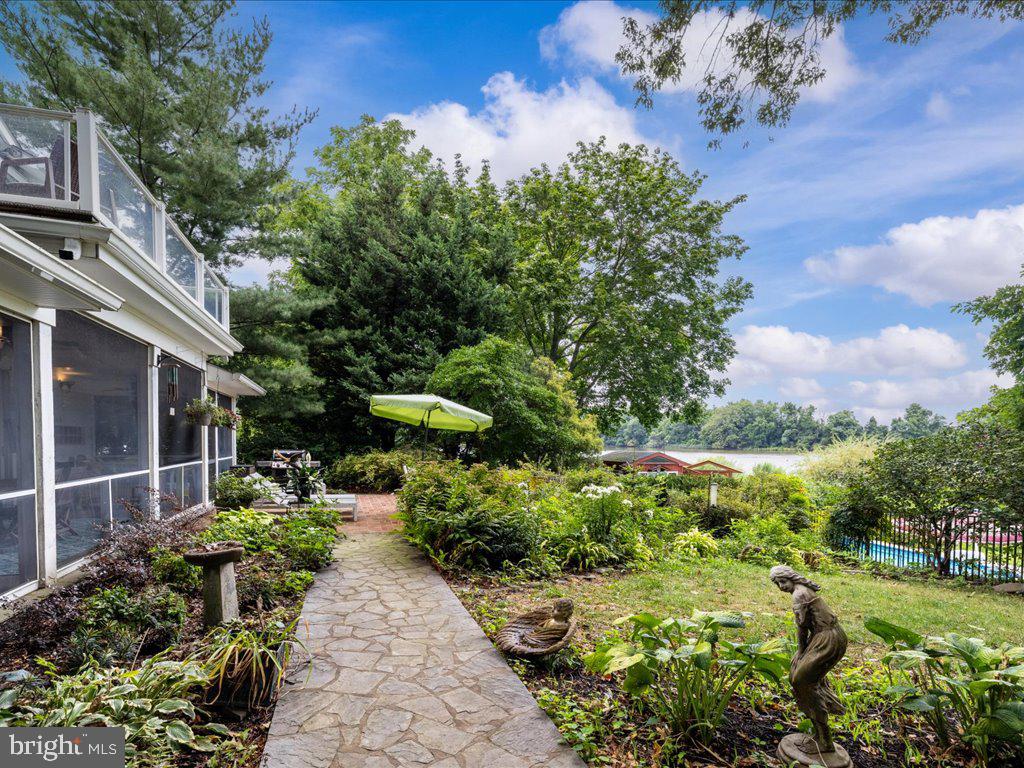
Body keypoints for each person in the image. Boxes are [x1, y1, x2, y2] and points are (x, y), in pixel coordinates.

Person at [769, 564, 848, 755]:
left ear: (792, 577)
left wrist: (802, 650)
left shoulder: (799, 595)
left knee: (801, 681)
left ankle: (825, 739)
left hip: (828, 640)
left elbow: (802, 628)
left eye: (783, 581)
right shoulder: (801, 590)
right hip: (824, 637)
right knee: (800, 678)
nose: (780, 587)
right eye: (777, 583)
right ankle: (820, 732)